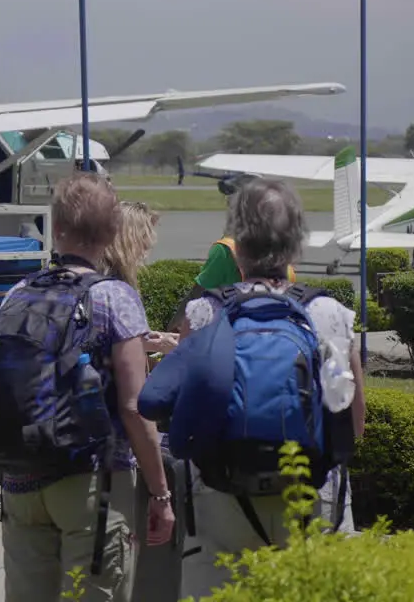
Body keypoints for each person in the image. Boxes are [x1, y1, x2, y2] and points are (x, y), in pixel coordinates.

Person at [141, 179, 365, 597]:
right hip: (312, 493)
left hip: (220, 494)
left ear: (237, 245)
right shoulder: (329, 313)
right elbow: (353, 421)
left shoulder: (205, 311)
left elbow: (171, 400)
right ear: (297, 244)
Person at [0, 172, 174, 602]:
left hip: (20, 480)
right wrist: (160, 492)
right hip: (91, 484)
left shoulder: (19, 292)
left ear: (56, 228)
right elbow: (135, 407)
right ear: (112, 231)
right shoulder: (115, 298)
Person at [169, 185, 297, 335]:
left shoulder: (225, 249)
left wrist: (173, 326)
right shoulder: (282, 254)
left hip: (234, 335)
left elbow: (198, 292)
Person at [101, 201, 177, 359]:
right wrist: (156, 344)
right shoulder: (114, 287)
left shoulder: (108, 276)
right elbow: (108, 342)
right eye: (145, 236)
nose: (149, 244)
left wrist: (154, 337)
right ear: (129, 239)